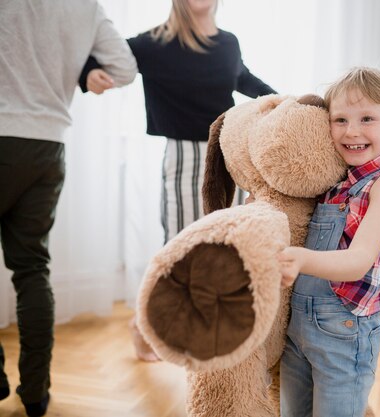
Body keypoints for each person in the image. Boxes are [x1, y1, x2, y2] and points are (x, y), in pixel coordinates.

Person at [81, 0, 277, 362]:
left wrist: (284, 102)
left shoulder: (228, 43)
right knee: (178, 249)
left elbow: (244, 79)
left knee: (225, 248)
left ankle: (214, 333)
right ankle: (142, 327)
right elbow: (99, 53)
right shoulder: (155, 43)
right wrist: (89, 73)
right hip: (183, 159)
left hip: (226, 153)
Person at [0, 1, 137, 415]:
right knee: (32, 269)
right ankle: (36, 392)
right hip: (48, 147)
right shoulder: (84, 7)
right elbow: (126, 68)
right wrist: (82, 68)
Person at [277, 67, 380, 417]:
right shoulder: (337, 180)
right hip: (300, 329)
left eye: (367, 118)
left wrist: (299, 259)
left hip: (345, 332)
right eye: (340, 120)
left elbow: (358, 260)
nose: (352, 131)